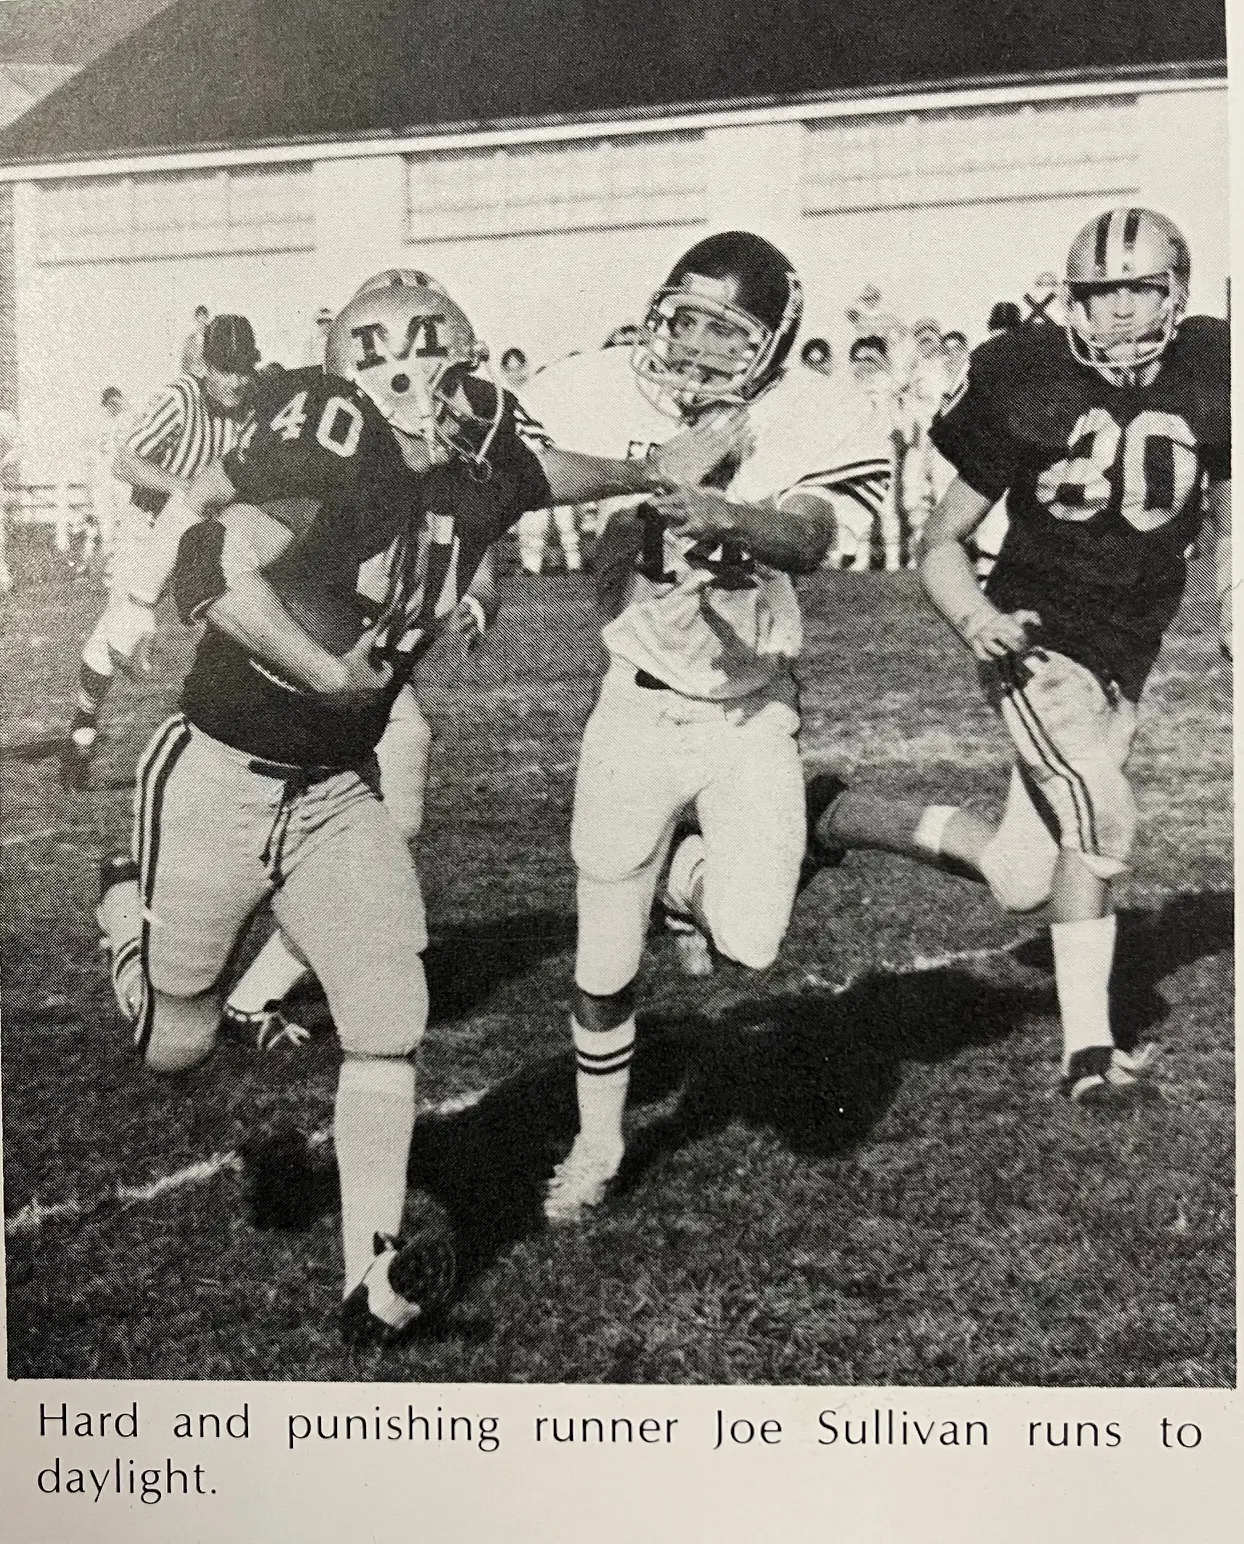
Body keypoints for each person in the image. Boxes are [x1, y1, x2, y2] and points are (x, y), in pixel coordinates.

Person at [95, 270, 736, 1341]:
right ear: (354, 382)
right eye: (395, 370)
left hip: (336, 789)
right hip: (218, 772)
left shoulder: (478, 472)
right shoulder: (326, 451)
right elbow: (210, 576)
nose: (424, 392)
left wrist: (646, 467)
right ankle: (123, 912)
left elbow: (542, 474)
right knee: (175, 1043)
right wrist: (320, 665)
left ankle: (371, 1278)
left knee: (389, 1020)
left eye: (440, 367)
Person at [813, 208, 1231, 1106]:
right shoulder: (1024, 377)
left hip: (1130, 644)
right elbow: (940, 540)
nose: (1117, 312)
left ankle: (835, 815)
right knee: (1099, 809)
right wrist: (976, 622)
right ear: (1069, 300)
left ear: (1176, 293)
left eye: (1137, 290)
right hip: (1033, 638)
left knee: (1019, 874)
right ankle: (1090, 1056)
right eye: (1097, 293)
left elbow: (1227, 491)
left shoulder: (1213, 366)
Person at [522, 231, 890, 1222]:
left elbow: (809, 534)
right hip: (634, 702)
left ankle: (679, 883)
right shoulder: (608, 387)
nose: (690, 347)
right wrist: (638, 472)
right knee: (602, 955)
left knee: (753, 943)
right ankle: (598, 1141)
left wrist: (721, 510)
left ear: (770, 347)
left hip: (747, 713)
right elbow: (512, 469)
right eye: (681, 320)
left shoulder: (811, 413)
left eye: (723, 333)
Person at [61, 316, 260, 788]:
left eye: (242, 370)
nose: (234, 382)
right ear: (205, 367)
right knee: (122, 637)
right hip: (149, 525)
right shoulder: (181, 399)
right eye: (223, 369)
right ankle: (82, 732)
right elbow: (126, 462)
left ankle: (235, 751)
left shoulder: (255, 406)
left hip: (209, 531)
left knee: (244, 624)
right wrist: (187, 492)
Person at [180, 305, 210, 378]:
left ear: (206, 319)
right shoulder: (189, 340)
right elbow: (185, 361)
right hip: (192, 375)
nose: (202, 324)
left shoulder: (212, 338)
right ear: (196, 320)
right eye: (199, 321)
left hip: (208, 377)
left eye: (204, 320)